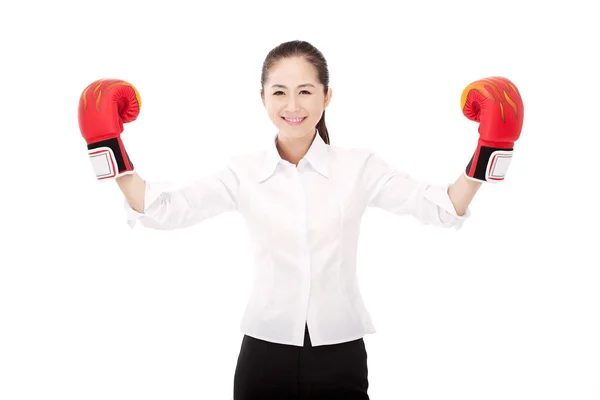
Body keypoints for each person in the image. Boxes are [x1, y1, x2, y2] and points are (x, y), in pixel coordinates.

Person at [77, 40, 524, 399]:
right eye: (279, 92)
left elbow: (443, 208)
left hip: (341, 355)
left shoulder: (359, 167)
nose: (293, 104)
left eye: (306, 91)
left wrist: (491, 150)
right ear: (263, 99)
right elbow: (162, 210)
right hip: (263, 353)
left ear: (327, 96)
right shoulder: (243, 171)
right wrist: (108, 146)